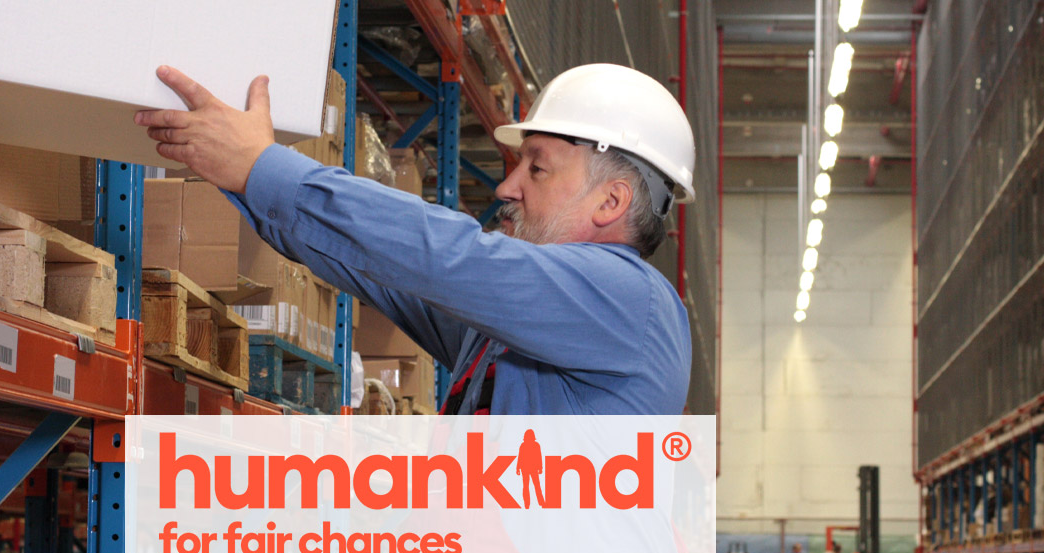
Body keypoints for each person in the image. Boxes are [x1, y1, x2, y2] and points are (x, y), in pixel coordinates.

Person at [134, 62, 697, 415]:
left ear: (611, 202)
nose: (507, 186)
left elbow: (448, 257)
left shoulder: (631, 301)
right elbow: (387, 271)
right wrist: (244, 176)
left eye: (537, 169)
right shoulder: (517, 330)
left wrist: (265, 167)